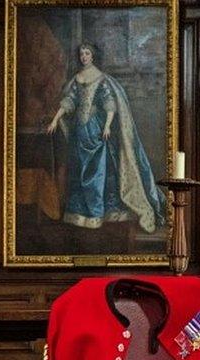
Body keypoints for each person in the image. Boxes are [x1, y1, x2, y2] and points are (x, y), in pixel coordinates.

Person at [46, 42, 166, 234]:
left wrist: (108, 125)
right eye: (81, 54)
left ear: (92, 56)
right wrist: (54, 120)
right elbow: (69, 101)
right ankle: (81, 214)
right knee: (78, 171)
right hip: (80, 131)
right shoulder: (77, 79)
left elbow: (109, 103)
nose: (83, 57)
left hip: (96, 130)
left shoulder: (101, 79)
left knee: (99, 171)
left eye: (87, 53)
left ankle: (99, 212)